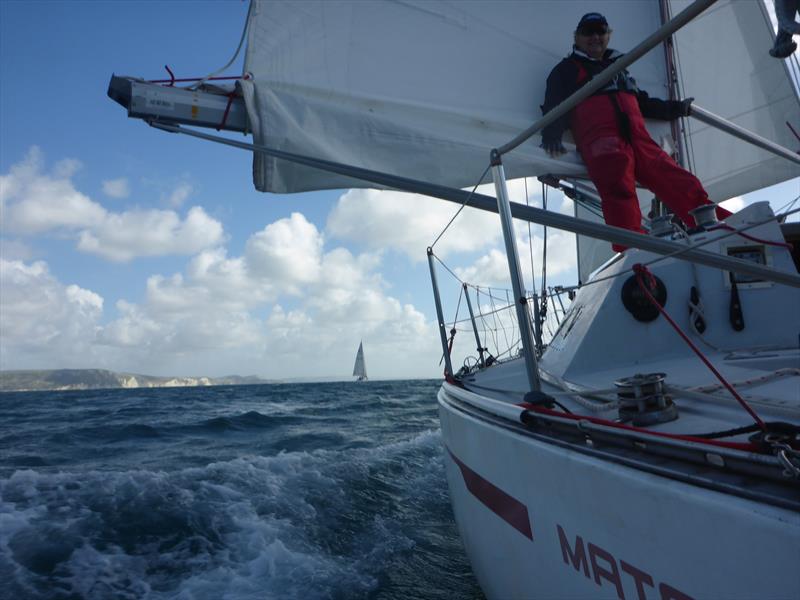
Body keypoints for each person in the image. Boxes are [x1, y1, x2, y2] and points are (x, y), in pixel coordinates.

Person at [540, 12, 731, 252]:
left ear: (608, 36)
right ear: (576, 37)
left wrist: (676, 108)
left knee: (679, 180)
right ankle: (634, 254)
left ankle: (722, 227)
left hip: (639, 139)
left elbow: (641, 103)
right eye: (588, 32)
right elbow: (554, 107)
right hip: (602, 142)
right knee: (618, 190)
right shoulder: (565, 71)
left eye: (601, 31)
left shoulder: (619, 68)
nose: (595, 37)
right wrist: (551, 138)